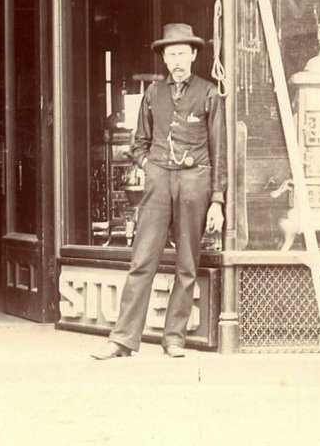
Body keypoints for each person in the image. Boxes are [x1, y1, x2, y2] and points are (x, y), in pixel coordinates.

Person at [94, 23, 225, 360]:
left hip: (195, 181)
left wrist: (217, 201)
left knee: (186, 264)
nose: (177, 60)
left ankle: (174, 338)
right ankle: (122, 339)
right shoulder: (153, 94)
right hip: (158, 182)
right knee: (142, 260)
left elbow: (219, 152)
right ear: (164, 59)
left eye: (183, 52)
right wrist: (150, 166)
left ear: (194, 55)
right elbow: (138, 144)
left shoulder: (209, 93)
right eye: (171, 54)